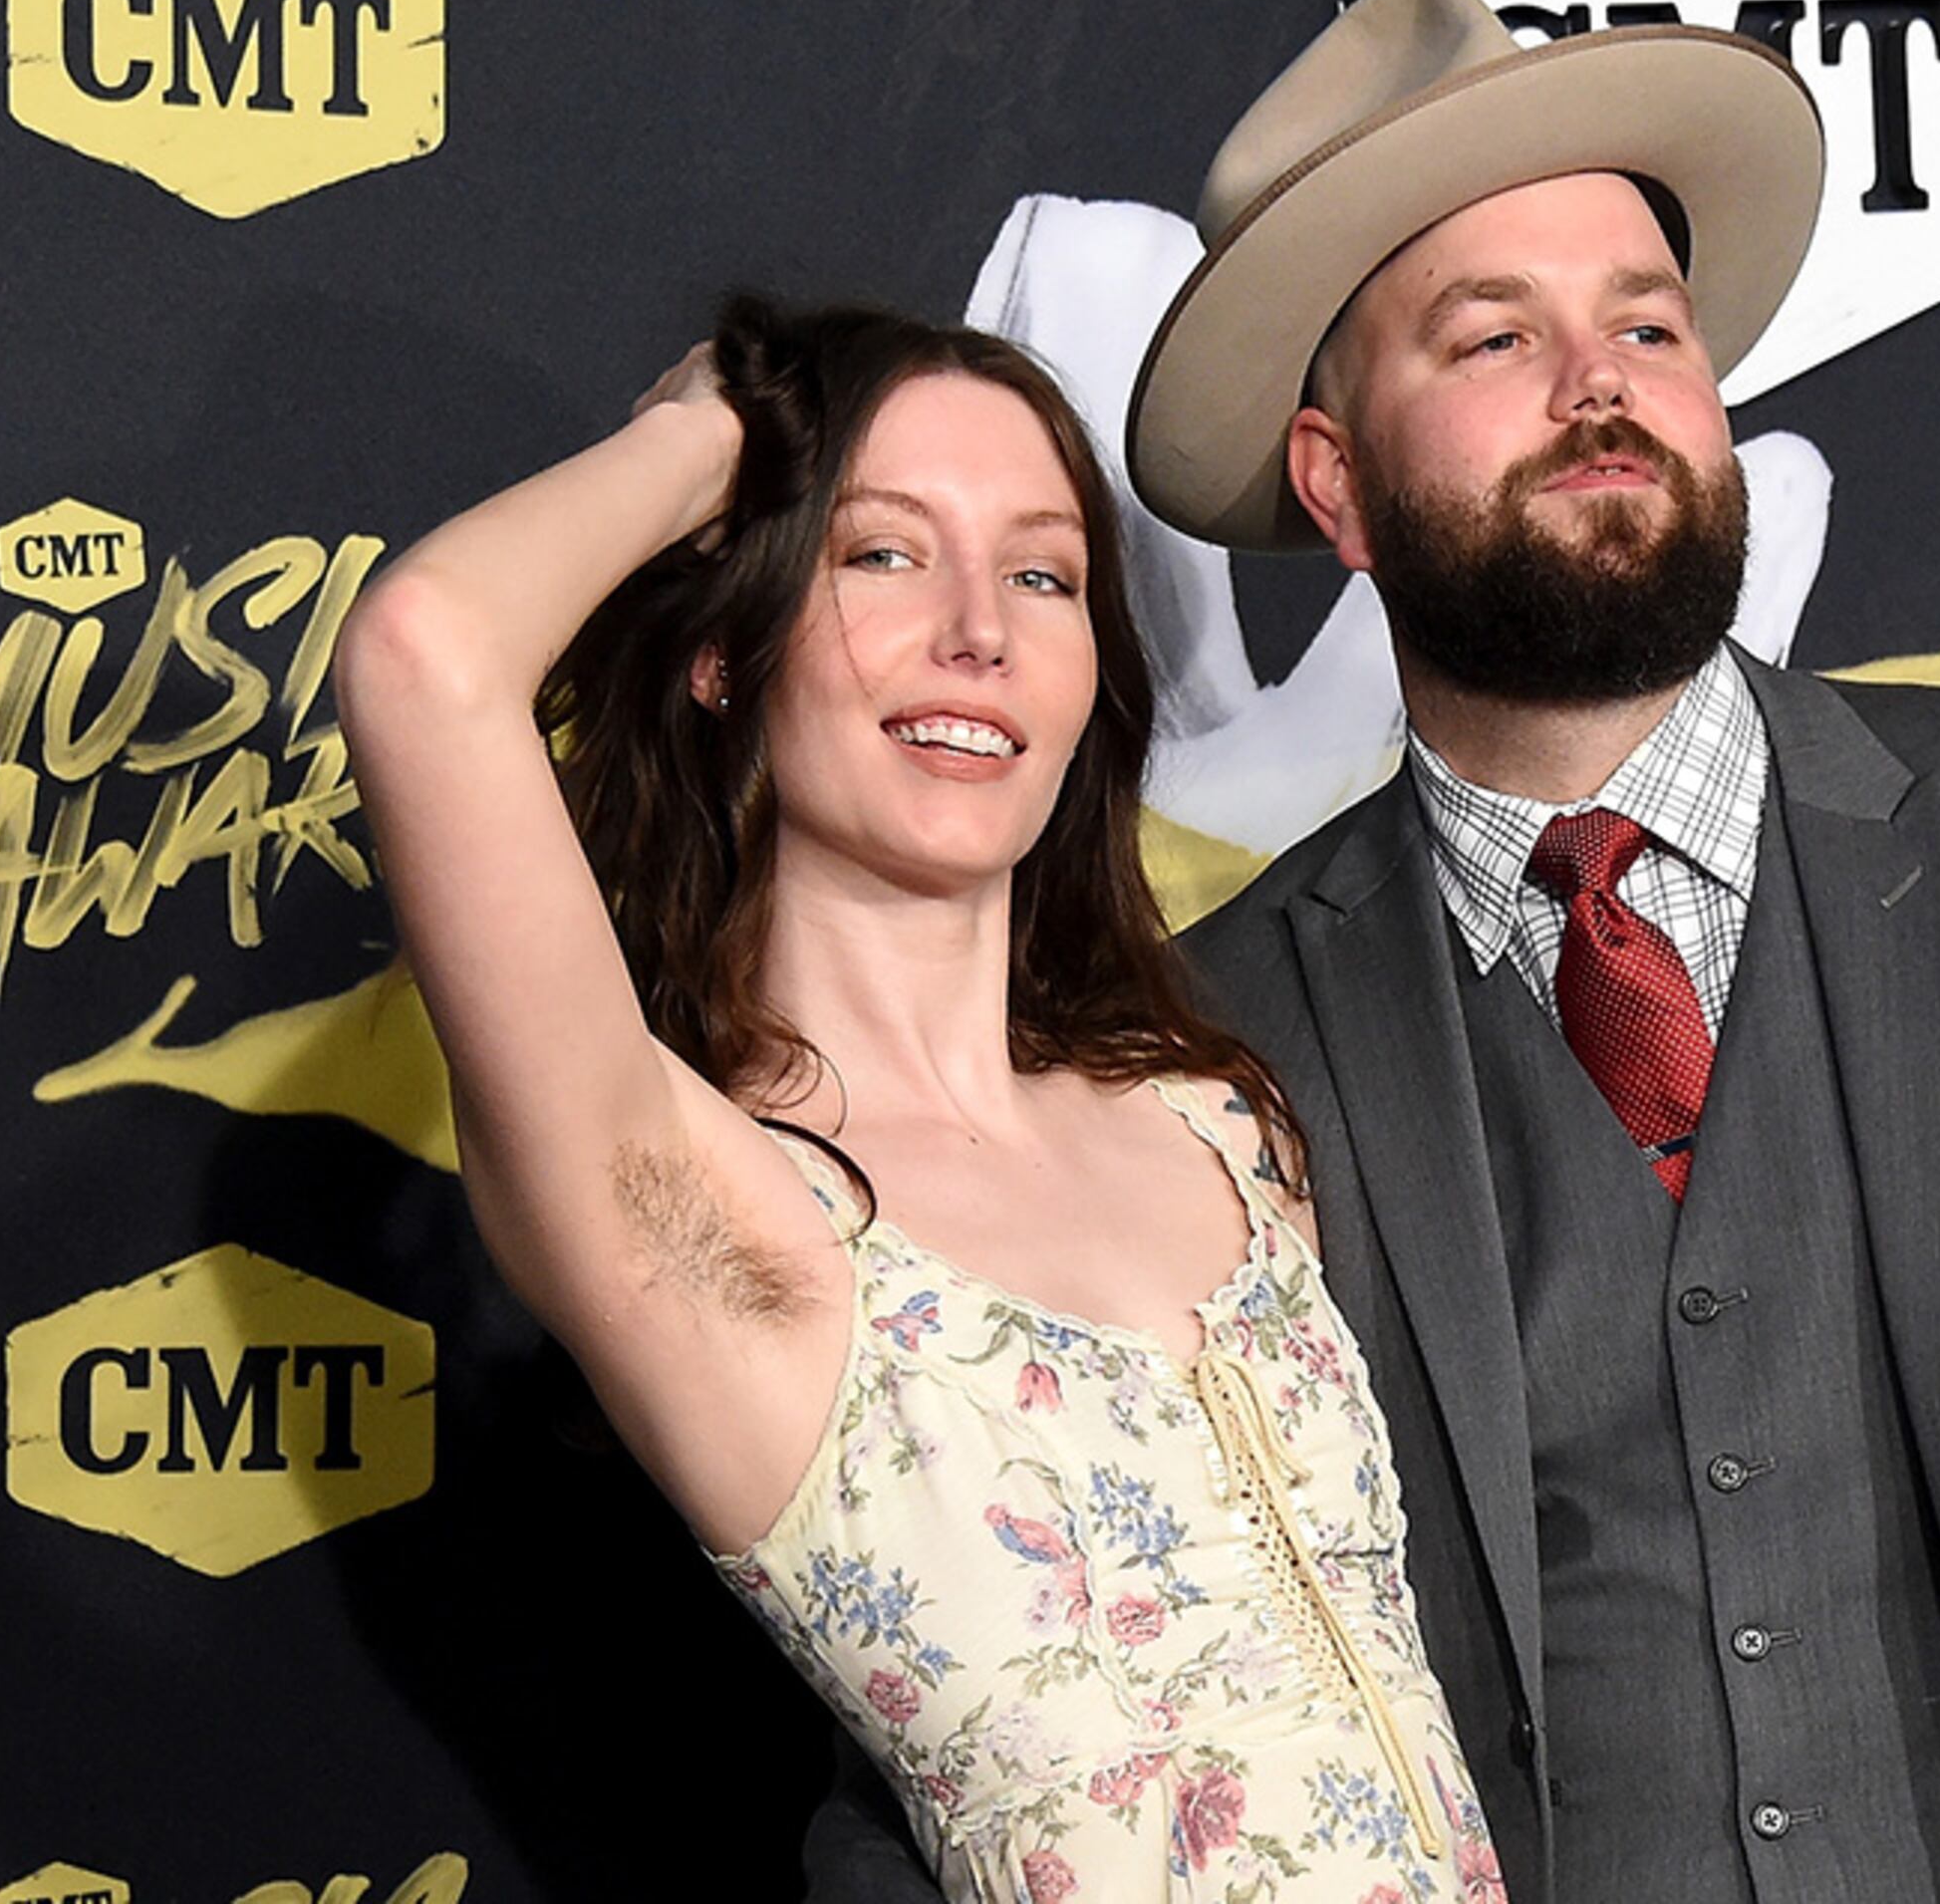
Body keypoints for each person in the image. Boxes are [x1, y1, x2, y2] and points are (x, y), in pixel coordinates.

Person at [826, 0, 1940, 1902]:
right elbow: (1039, 1691)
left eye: (1648, 323)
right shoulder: (1207, 1062)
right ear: (1337, 486)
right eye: (1495, 338)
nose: (1600, 384)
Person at [334, 298, 1504, 1902]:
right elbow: (427, 656)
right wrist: (714, 434)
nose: (982, 631)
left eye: (1043, 573)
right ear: (724, 645)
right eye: (882, 555)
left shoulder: (1220, 1115)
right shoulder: (698, 1197)